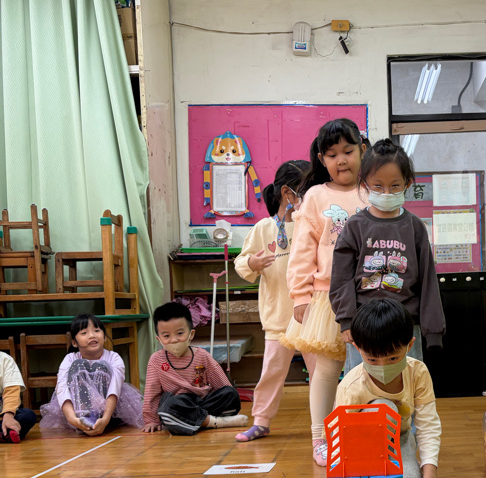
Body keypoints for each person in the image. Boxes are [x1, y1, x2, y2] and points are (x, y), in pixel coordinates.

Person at [281, 118, 369, 466]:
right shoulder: (316, 196)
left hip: (371, 296)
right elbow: (302, 251)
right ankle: (321, 438)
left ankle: (366, 432)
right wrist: (300, 295)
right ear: (321, 159)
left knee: (369, 370)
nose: (341, 160)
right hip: (328, 297)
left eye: (348, 151)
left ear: (363, 149)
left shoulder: (373, 190)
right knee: (328, 371)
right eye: (332, 155)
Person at [329, 137, 445, 373]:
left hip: (405, 327)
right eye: (378, 186)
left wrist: (432, 331)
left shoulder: (414, 226)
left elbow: (428, 280)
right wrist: (346, 320)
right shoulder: (355, 226)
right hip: (363, 326)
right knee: (361, 387)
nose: (386, 192)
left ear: (407, 184)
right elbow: (341, 278)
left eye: (394, 186)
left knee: (407, 386)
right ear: (365, 184)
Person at [334, 299, 448, 478]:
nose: (383, 366)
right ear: (358, 348)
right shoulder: (351, 387)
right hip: (360, 450)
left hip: (399, 440)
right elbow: (340, 441)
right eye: (372, 359)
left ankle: (382, 475)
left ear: (409, 346)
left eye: (393, 358)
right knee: (383, 407)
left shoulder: (418, 372)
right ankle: (371, 474)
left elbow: (428, 425)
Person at [233, 159, 316, 441]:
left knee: (321, 374)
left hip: (311, 316)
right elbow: (241, 262)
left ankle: (326, 424)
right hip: (277, 316)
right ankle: (261, 421)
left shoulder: (311, 224)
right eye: (305, 190)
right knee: (271, 372)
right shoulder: (263, 228)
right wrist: (252, 264)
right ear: (287, 193)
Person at [143, 302, 248, 435]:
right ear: (159, 339)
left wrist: (227, 397)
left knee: (231, 394)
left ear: (191, 334)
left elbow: (222, 385)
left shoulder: (202, 355)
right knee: (168, 407)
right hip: (178, 403)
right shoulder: (156, 360)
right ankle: (215, 422)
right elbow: (151, 392)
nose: (174, 340)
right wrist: (151, 420)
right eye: (166, 336)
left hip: (203, 401)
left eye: (179, 333)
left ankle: (193, 420)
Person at [40, 315, 143, 434]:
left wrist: (105, 419)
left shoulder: (114, 357)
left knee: (101, 366)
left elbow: (114, 389)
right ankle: (85, 418)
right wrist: (72, 419)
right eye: (84, 333)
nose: (92, 335)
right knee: (78, 365)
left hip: (110, 411)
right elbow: (62, 388)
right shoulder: (70, 359)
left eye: (97, 331)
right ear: (74, 342)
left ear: (105, 337)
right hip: (77, 412)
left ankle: (97, 419)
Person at [0, 351, 36, 443]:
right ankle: (6, 433)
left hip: (2, 415)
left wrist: (8, 415)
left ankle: (5, 431)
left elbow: (11, 391)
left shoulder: (4, 359)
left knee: (28, 415)